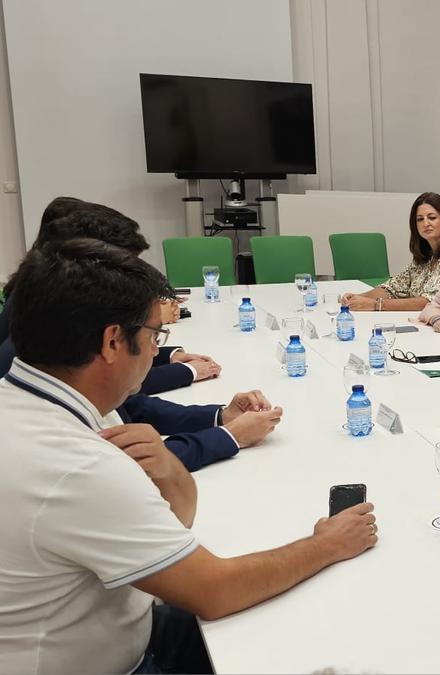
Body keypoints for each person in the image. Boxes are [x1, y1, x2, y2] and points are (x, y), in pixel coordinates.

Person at [0, 238, 378, 674]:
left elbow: (175, 520)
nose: (155, 347)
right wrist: (325, 545)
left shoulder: (34, 403)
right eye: (152, 335)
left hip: (113, 622)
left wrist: (169, 467)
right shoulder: (75, 462)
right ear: (111, 343)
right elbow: (214, 592)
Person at [0, 204, 282, 471]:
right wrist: (228, 436)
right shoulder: (37, 364)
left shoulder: (48, 324)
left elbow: (131, 410)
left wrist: (220, 417)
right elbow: (119, 466)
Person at [0, 200, 220, 394]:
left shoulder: (39, 290)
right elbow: (103, 377)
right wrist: (184, 370)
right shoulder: (53, 309)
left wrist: (166, 355)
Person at [339, 192, 440, 312]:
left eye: (432, 218)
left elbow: (429, 301)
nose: (425, 224)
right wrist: (358, 298)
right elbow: (392, 288)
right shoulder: (424, 257)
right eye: (420, 219)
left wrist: (376, 305)